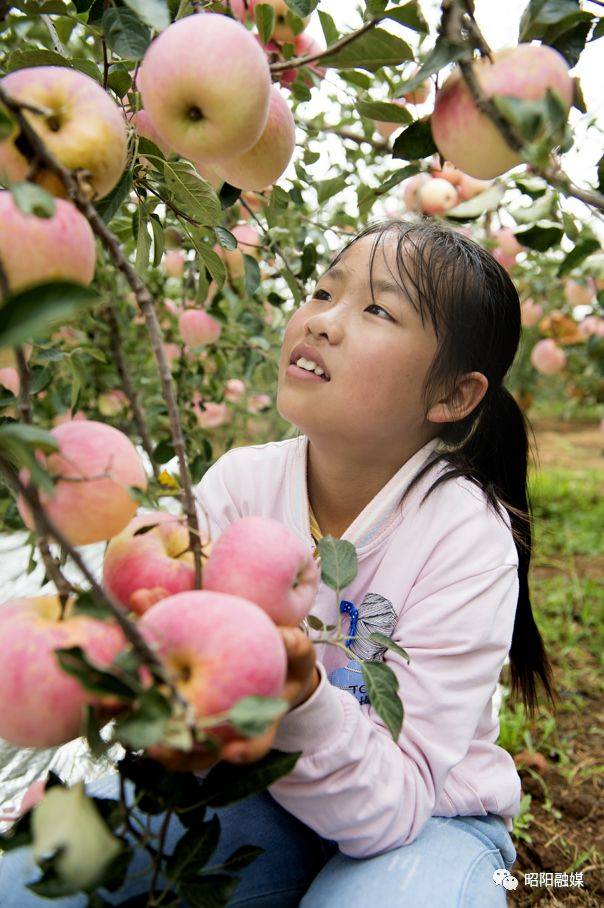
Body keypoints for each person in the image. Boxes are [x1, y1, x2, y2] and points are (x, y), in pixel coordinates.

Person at [0, 220, 556, 906]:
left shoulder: (465, 535)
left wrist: (296, 698)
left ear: (452, 396)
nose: (321, 321)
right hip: (262, 797)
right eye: (323, 290)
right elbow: (186, 667)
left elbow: (399, 804)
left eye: (378, 309)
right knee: (28, 881)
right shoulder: (239, 485)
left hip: (431, 824)